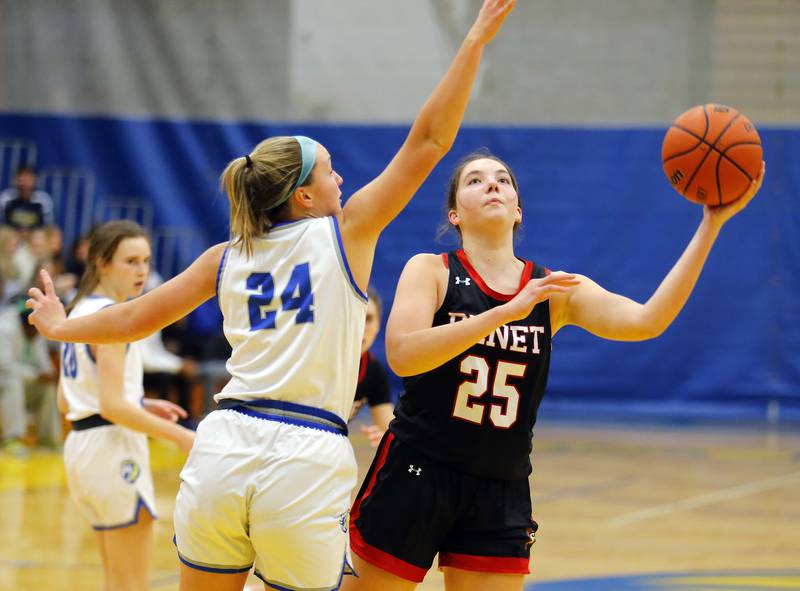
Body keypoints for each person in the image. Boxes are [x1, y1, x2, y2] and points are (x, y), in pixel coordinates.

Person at [25, 3, 516, 590]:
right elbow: (431, 140)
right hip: (303, 452)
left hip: (223, 443)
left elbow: (130, 319)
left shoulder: (227, 254)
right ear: (304, 197)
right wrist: (476, 39)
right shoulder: (346, 231)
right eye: (330, 173)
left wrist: (58, 327)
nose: (342, 182)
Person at [344, 151, 765, 591]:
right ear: (455, 214)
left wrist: (710, 226)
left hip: (499, 481)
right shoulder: (431, 270)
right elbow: (404, 356)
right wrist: (505, 313)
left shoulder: (553, 290)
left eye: (503, 180)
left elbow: (647, 321)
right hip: (419, 468)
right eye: (475, 181)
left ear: (518, 209)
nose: (492, 185)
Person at [56, 221, 195, 591]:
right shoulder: (113, 318)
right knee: (132, 585)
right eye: (130, 261)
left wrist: (141, 403)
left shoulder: (78, 310)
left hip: (83, 451)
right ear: (101, 262)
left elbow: (66, 397)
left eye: (145, 261)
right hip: (113, 450)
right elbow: (113, 406)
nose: (141, 271)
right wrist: (182, 437)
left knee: (116, 582)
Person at [349, 286, 394, 447]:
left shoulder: (374, 373)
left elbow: (389, 430)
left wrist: (388, 440)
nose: (361, 327)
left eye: (368, 319)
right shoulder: (316, 360)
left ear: (379, 326)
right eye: (354, 317)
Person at [0, 165, 54, 231]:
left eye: (28, 180)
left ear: (35, 180)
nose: (25, 185)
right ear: (14, 180)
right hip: (11, 235)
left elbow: (48, 225)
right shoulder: (6, 197)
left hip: (35, 236)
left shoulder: (43, 199)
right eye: (21, 180)